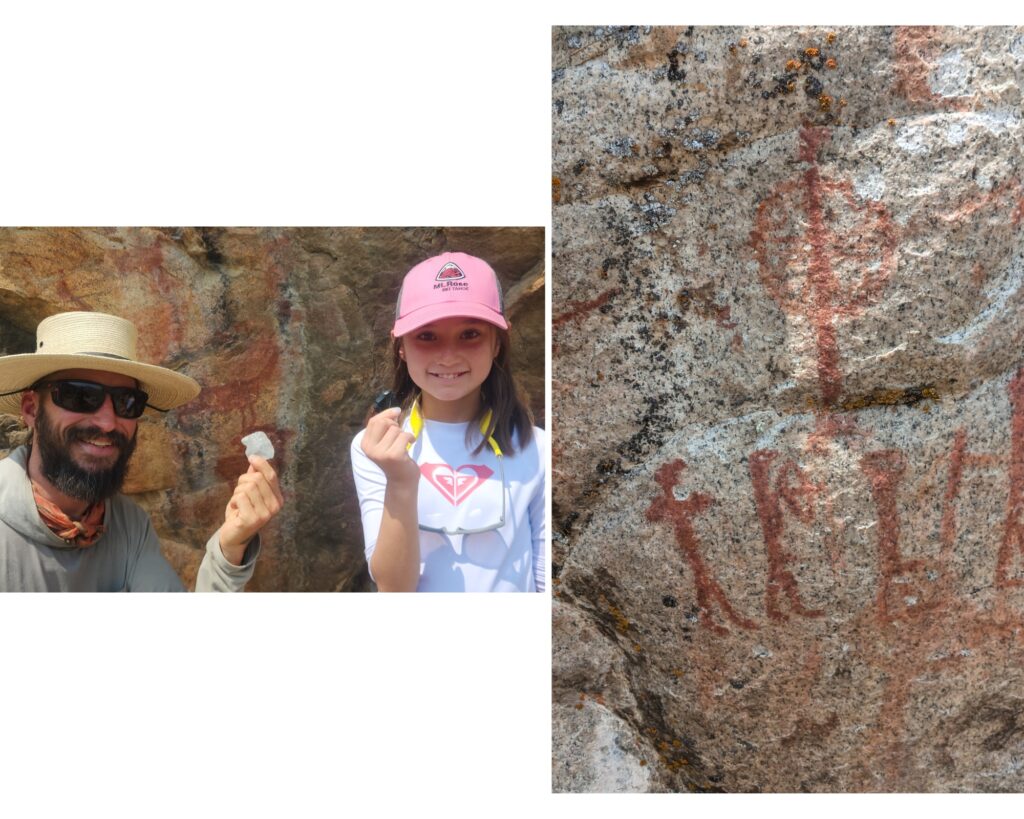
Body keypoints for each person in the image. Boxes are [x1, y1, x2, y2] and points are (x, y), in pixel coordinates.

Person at [0, 311, 283, 591]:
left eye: (127, 402)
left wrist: (230, 548)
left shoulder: (127, 524)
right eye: (80, 396)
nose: (108, 423)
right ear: (31, 409)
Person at [350, 252, 546, 592]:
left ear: (498, 342)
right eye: (426, 336)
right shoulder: (374, 449)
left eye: (470, 334)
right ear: (401, 347)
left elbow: (544, 581)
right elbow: (393, 589)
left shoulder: (536, 446)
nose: (448, 356)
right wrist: (400, 481)